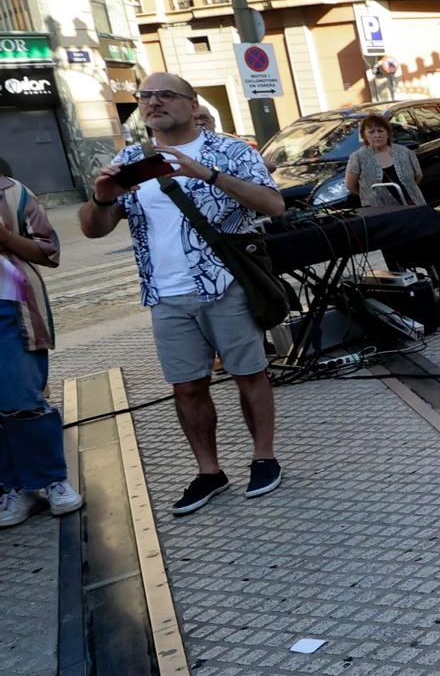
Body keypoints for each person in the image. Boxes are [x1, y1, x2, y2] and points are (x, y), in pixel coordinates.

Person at [80, 71, 288, 514]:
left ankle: (264, 457)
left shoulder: (229, 150)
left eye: (166, 95)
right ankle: (209, 471)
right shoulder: (132, 159)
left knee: (250, 374)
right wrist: (101, 198)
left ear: (192, 105)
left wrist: (208, 174)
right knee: (187, 387)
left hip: (225, 284)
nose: (153, 103)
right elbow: (92, 230)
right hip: (165, 294)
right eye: (146, 96)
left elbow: (274, 204)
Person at [0, 157, 82, 528]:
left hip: (9, 308)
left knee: (21, 400)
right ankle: (14, 487)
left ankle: (51, 479)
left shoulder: (14, 194)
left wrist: (5, 237)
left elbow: (50, 251)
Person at [342, 112, 425, 209]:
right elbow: (350, 185)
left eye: (380, 131)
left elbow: (418, 176)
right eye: (371, 132)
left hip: (414, 208)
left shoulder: (405, 152)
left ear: (388, 133)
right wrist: (370, 195)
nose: (377, 135)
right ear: (364, 135)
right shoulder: (357, 158)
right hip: (381, 213)